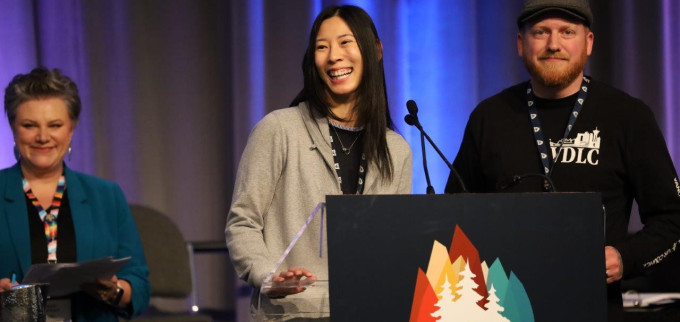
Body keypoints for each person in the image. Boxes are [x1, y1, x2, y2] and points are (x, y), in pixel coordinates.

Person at [445, 0, 680, 320]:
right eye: (540, 32)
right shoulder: (490, 117)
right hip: (502, 308)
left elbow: (672, 219)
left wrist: (624, 258)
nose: (553, 44)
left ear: (589, 42)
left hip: (592, 306)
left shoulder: (627, 116)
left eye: (567, 31)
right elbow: (454, 216)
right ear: (520, 44)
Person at [225, 4, 412, 317]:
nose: (333, 56)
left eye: (345, 42)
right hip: (292, 313)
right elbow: (243, 223)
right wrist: (269, 277)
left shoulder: (396, 149)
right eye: (321, 47)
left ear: (375, 50)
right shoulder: (279, 129)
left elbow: (396, 240)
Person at [0, 67, 150, 321]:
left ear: (71, 129)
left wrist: (115, 291)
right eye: (29, 125)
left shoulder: (107, 195)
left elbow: (140, 283)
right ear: (13, 128)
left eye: (55, 125)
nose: (43, 137)